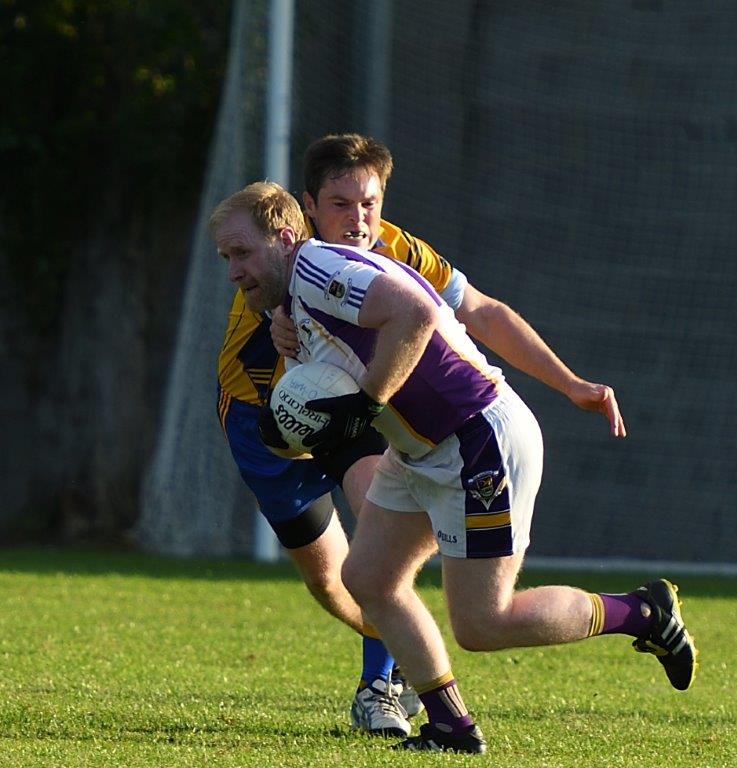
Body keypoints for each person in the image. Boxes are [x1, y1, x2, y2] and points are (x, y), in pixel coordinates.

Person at [210, 180, 698, 754]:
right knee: (368, 579)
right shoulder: (293, 302)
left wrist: (365, 405)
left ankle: (642, 613)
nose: (234, 270)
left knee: (483, 624)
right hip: (419, 450)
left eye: (241, 253)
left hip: (476, 439)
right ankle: (451, 727)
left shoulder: (318, 267)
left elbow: (415, 313)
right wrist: (285, 418)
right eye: (226, 258)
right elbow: (314, 402)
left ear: (285, 238)